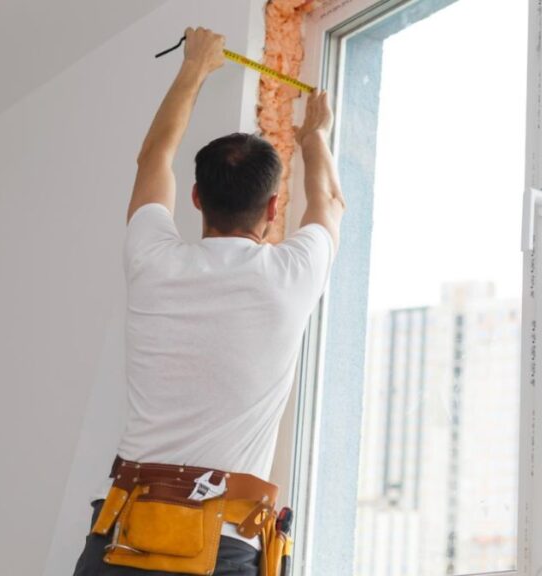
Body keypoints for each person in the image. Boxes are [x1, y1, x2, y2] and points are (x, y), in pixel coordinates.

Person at [71, 27, 344, 576]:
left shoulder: (154, 261)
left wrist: (194, 66)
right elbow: (330, 201)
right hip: (221, 550)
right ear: (272, 208)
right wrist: (315, 135)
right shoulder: (291, 275)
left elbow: (154, 156)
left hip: (125, 536)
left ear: (195, 198)